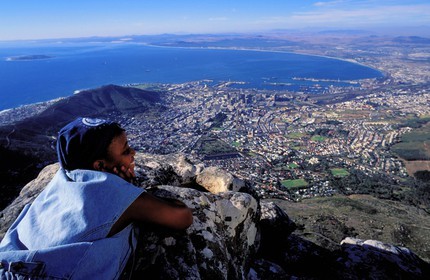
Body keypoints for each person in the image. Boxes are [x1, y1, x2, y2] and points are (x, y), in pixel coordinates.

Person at [0, 117, 193, 279]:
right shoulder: (115, 193)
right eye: (126, 150)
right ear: (100, 166)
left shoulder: (62, 179)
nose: (133, 153)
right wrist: (130, 189)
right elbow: (182, 217)